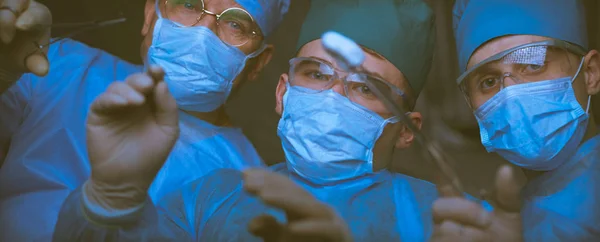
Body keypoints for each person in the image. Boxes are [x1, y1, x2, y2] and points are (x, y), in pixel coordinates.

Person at [52, 0, 461, 240]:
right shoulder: (209, 198)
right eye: (317, 74)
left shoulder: (448, 222)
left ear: (409, 130)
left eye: (367, 88)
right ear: (283, 92)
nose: (333, 96)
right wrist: (111, 198)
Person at [0, 0, 289, 240]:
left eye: (235, 24)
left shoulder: (248, 188)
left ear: (259, 63)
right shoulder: (56, 64)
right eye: (188, 4)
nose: (203, 32)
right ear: (151, 14)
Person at [438, 0, 600, 241]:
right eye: (489, 82)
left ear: (590, 73)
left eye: (533, 64)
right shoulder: (506, 216)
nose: (511, 95)